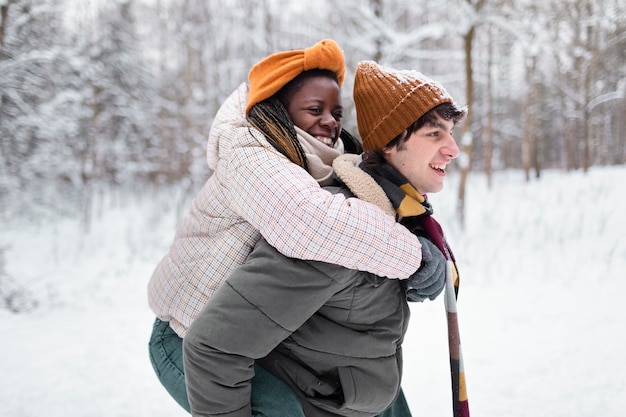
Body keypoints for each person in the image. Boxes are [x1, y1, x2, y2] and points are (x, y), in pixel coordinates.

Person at [148, 40, 431, 414]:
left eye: (336, 111)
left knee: (376, 390)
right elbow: (312, 223)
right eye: (315, 109)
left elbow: (379, 204)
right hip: (187, 339)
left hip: (251, 333)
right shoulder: (250, 151)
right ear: (278, 111)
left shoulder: (320, 161)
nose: (330, 120)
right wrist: (415, 257)